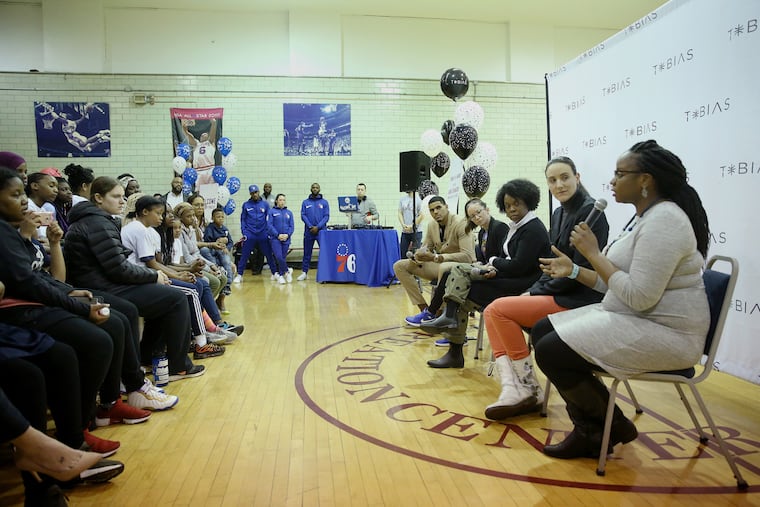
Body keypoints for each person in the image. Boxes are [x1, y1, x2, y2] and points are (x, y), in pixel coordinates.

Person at [531, 140, 710, 460]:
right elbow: (611, 282)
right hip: (636, 318)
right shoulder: (644, 218)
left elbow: (640, 297)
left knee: (551, 351)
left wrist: (593, 254)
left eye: (620, 174)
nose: (611, 181)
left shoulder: (665, 220)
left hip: (668, 335)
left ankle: (597, 430)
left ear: (645, 180)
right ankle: (610, 425)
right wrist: (573, 269)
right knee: (543, 330)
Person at [481, 157, 609, 420]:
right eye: (553, 180)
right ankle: (515, 387)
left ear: (577, 177)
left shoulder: (590, 212)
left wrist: (538, 291)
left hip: (580, 298)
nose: (559, 184)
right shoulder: (559, 212)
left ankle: (525, 389)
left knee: (496, 310)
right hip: (557, 290)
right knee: (493, 311)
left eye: (564, 177)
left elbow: (576, 270)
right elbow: (549, 264)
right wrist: (533, 290)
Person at [64, 176, 204, 382]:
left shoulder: (100, 221)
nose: (122, 201)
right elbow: (118, 269)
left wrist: (155, 276)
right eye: (116, 196)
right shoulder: (96, 223)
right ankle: (178, 366)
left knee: (165, 297)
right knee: (175, 299)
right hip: (101, 287)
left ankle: (147, 356)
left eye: (122, 196)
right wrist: (154, 275)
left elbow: (118, 264)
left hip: (107, 282)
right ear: (98, 198)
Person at [421, 182, 552, 368]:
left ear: (528, 202)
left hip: (521, 287)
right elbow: (506, 259)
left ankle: (442, 317)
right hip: (505, 276)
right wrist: (493, 265)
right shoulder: (516, 226)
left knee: (457, 275)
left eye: (516, 203)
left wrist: (493, 263)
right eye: (507, 206)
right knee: (460, 292)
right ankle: (454, 350)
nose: (512, 209)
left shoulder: (532, 229)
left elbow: (518, 266)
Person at [394, 195, 476, 322]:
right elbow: (426, 247)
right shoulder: (432, 225)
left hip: (460, 268)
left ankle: (439, 313)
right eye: (432, 210)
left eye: (438, 208)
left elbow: (468, 256)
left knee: (443, 267)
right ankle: (424, 309)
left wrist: (437, 257)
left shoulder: (461, 224)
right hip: (439, 265)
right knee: (399, 266)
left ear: (447, 207)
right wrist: (418, 255)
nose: (435, 212)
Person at [234, 185, 276, 282]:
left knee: (269, 254)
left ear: (258, 192)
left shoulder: (265, 204)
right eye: (252, 193)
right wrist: (244, 232)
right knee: (244, 254)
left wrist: (268, 231)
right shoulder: (246, 205)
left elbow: (269, 219)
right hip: (250, 233)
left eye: (256, 192)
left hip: (262, 233)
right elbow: (243, 219)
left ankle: (275, 273)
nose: (255, 194)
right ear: (250, 194)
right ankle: (240, 275)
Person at [203, 207, 235, 306]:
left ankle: (227, 284)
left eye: (222, 217)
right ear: (213, 218)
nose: (220, 219)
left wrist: (227, 247)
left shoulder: (225, 229)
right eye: (218, 217)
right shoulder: (210, 228)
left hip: (222, 250)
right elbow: (207, 240)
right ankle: (216, 269)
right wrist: (219, 242)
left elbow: (230, 242)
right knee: (217, 262)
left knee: (227, 261)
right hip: (213, 250)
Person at [298, 182, 329, 281]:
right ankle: (304, 272)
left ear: (319, 189)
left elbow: (326, 216)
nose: (315, 189)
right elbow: (303, 215)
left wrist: (318, 227)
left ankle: (325, 273)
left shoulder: (324, 202)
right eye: (313, 187)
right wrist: (310, 226)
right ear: (311, 189)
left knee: (324, 252)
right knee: (307, 253)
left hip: (321, 232)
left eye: (317, 187)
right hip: (309, 231)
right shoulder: (305, 202)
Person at [267, 194, 295, 284]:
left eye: (283, 200)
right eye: (280, 200)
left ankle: (281, 275)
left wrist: (287, 235)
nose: (282, 202)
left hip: (286, 239)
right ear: (276, 201)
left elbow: (291, 226)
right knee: (278, 256)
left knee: (283, 257)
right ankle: (287, 271)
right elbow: (269, 225)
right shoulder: (271, 212)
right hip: (275, 239)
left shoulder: (289, 213)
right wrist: (277, 235)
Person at [183, 118, 217, 185]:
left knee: (211, 192)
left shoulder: (210, 143)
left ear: (208, 137)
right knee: (199, 192)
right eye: (202, 134)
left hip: (209, 169)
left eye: (205, 134)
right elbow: (190, 137)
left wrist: (213, 124)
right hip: (198, 170)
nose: (203, 135)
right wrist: (185, 130)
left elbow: (212, 134)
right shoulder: (197, 144)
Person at [398, 191, 423, 257]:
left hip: (416, 231)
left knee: (416, 255)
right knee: (403, 254)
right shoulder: (402, 199)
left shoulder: (419, 199)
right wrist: (403, 224)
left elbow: (421, 215)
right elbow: (400, 212)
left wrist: (412, 226)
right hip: (405, 231)